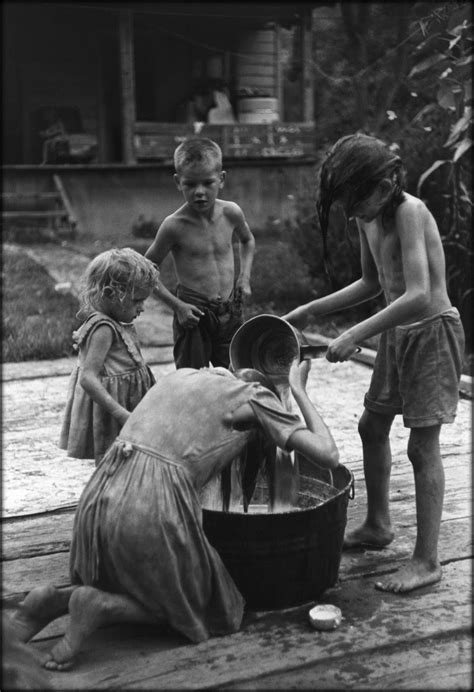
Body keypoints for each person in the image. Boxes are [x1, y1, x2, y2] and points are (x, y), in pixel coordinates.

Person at [11, 359, 339, 671]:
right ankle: (103, 608)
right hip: (149, 503)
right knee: (211, 607)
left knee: (130, 576)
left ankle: (55, 601)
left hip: (98, 496)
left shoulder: (183, 378)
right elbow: (328, 455)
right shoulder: (256, 399)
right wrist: (298, 389)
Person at [283, 133, 465, 594]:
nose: (350, 211)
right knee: (371, 426)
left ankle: (426, 560)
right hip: (396, 333)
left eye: (355, 198)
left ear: (386, 183)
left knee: (422, 448)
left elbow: (419, 293)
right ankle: (378, 524)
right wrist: (312, 310)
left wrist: (353, 334)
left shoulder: (409, 212)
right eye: (343, 201)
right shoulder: (368, 218)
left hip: (431, 335)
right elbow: (371, 282)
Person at [145, 137, 255, 370]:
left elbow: (247, 240)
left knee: (239, 374)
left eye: (208, 183)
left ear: (221, 179)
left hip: (230, 311)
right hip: (193, 314)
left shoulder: (231, 213)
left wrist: (244, 277)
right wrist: (177, 306)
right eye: (191, 184)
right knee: (192, 380)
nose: (200, 192)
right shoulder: (173, 226)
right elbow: (145, 270)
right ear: (178, 182)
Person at [59, 248, 160, 465]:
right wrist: (121, 413)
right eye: (137, 301)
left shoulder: (116, 323)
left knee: (129, 459)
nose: (142, 308)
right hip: (114, 408)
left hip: (127, 400)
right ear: (110, 294)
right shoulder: (103, 328)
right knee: (114, 460)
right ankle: (108, 497)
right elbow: (88, 378)